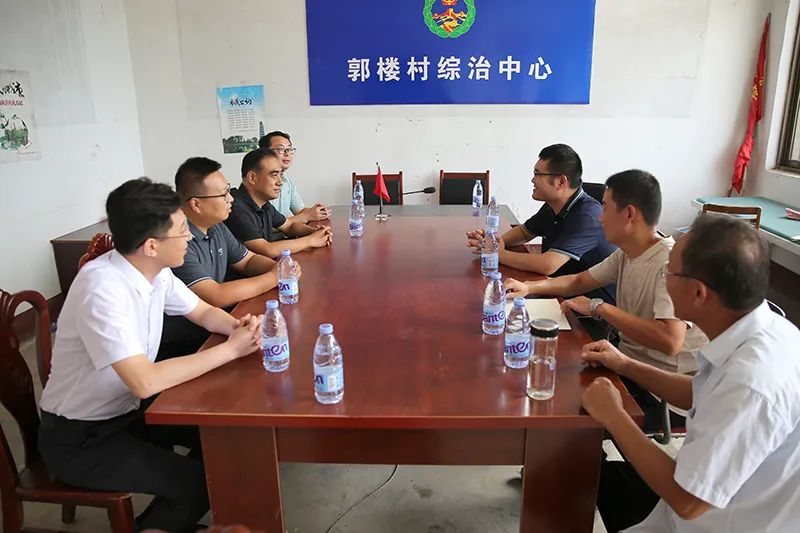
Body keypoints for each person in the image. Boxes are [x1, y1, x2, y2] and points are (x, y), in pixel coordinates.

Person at [38, 178, 263, 533]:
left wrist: (238, 328)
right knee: (197, 485)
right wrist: (231, 350)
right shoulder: (102, 289)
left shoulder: (154, 271)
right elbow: (144, 381)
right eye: (182, 231)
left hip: (126, 411)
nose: (189, 237)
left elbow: (203, 312)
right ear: (152, 246)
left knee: (225, 439)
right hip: (81, 438)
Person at [581, 214, 800, 532]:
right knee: (582, 470)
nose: (664, 278)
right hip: (689, 507)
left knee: (579, 473)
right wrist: (625, 364)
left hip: (709, 522)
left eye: (668, 272)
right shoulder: (768, 330)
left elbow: (688, 501)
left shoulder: (751, 382)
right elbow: (703, 392)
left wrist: (614, 415)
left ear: (698, 293)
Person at [506, 169, 706, 429]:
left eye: (606, 208)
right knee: (550, 376)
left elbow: (670, 341)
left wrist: (599, 307)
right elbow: (578, 281)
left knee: (561, 413)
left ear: (629, 214)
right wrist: (529, 287)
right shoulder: (626, 253)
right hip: (626, 365)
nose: (600, 218)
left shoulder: (669, 264)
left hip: (660, 394)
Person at [158, 157, 298, 359]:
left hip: (218, 327)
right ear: (196, 204)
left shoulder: (216, 226)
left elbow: (247, 261)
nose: (231, 198)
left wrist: (280, 266)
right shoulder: (178, 241)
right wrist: (274, 277)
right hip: (185, 346)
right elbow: (215, 295)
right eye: (223, 194)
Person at [466, 144, 615, 303]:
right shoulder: (553, 205)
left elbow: (548, 264)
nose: (532, 180)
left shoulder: (588, 215)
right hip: (558, 290)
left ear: (561, 181)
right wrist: (494, 242)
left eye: (537, 174)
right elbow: (524, 232)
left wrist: (495, 254)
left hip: (590, 307)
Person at [225, 148, 332, 258]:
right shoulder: (235, 208)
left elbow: (289, 226)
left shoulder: (264, 204)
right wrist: (311, 240)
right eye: (274, 175)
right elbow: (266, 249)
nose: (280, 182)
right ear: (252, 178)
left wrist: (315, 232)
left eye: (281, 174)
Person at [259, 131, 330, 232]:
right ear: (264, 153)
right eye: (281, 149)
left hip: (288, 235)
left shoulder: (287, 182)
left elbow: (300, 211)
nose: (287, 153)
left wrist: (317, 212)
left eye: (289, 149)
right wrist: (307, 216)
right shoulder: (261, 183)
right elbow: (266, 227)